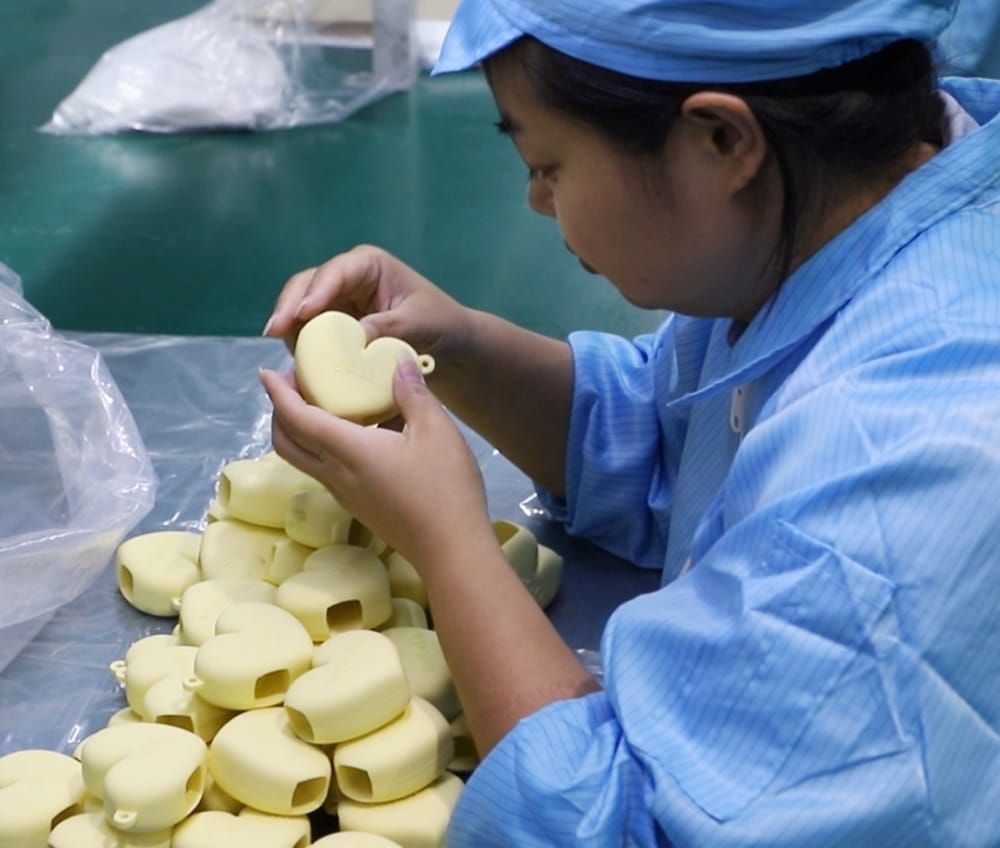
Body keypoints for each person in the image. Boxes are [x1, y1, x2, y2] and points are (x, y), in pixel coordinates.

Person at [259, 0, 1000, 844]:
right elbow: (681, 437)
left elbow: (628, 825)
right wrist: (460, 348)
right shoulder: (844, 220)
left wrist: (447, 540)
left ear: (721, 142)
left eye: (549, 165)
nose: (537, 202)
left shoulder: (904, 462)